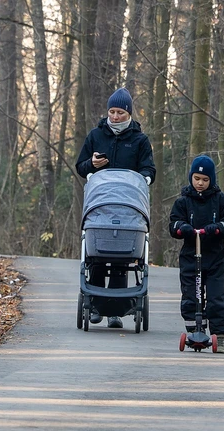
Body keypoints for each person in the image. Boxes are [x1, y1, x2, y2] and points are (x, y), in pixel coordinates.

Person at [76, 87, 155, 328]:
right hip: (101, 207)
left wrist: (143, 180)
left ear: (129, 113)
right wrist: (92, 163)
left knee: (122, 260)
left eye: (120, 112)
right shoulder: (96, 136)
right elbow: (81, 167)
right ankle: (98, 307)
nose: (115, 116)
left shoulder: (139, 140)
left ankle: (115, 312)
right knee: (98, 257)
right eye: (112, 111)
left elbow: (149, 169)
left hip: (128, 208)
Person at [169, 154, 224, 353]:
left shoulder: (221, 200)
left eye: (205, 180)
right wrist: (183, 228)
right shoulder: (183, 201)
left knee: (218, 297)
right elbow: (173, 224)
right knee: (192, 295)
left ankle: (220, 335)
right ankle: (194, 330)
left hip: (215, 255)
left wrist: (217, 228)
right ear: (191, 178)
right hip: (191, 255)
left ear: (211, 180)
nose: (200, 183)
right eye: (197, 179)